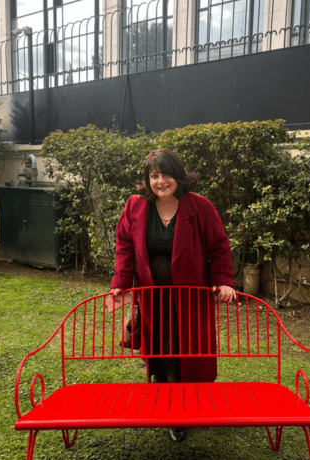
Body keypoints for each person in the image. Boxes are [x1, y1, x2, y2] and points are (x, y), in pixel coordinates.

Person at [110, 148, 235, 441]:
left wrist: (223, 280)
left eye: (166, 174)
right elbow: (124, 245)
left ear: (178, 176)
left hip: (190, 297)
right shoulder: (136, 206)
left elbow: (219, 246)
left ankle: (178, 413)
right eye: (154, 176)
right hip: (153, 296)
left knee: (183, 351)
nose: (160, 181)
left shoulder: (200, 207)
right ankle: (165, 401)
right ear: (147, 179)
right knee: (160, 349)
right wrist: (121, 282)